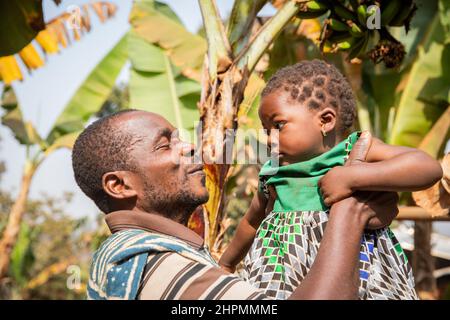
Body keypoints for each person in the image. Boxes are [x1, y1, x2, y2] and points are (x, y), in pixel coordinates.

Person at [72, 109, 399, 300]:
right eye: (165, 145)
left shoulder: (130, 258)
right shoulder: (155, 266)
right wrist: (349, 212)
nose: (188, 146)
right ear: (119, 185)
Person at [218, 60, 443, 300]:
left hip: (359, 268)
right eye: (265, 130)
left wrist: (353, 176)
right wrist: (226, 264)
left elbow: (426, 167)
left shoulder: (354, 151)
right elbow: (252, 221)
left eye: (278, 125)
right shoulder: (273, 172)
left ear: (325, 121)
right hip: (283, 276)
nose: (269, 138)